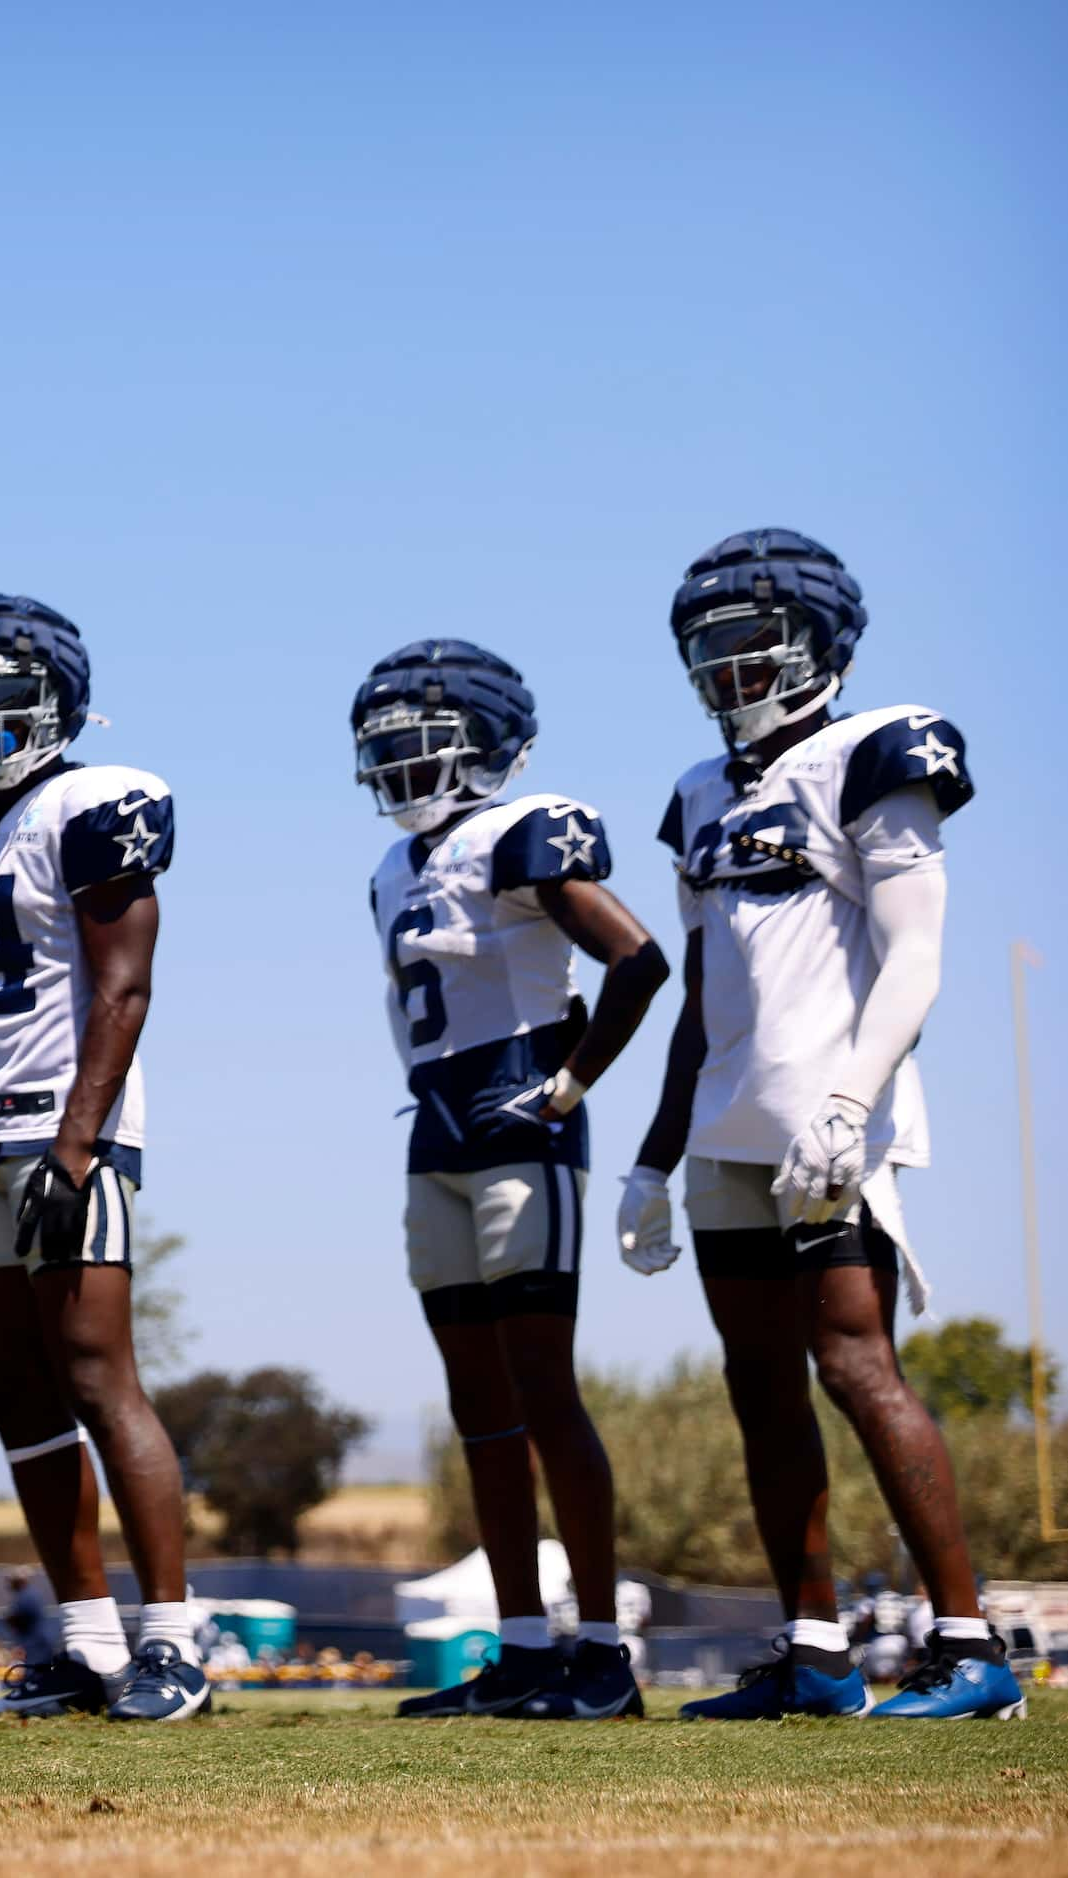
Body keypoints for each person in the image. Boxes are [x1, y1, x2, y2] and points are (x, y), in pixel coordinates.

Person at [623, 528, 1022, 1722]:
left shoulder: (874, 750)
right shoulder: (699, 794)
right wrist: (652, 1157)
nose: (729, 669)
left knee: (856, 1365)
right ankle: (813, 1651)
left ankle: (970, 1648)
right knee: (759, 1387)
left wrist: (852, 1103)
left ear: (818, 642)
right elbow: (703, 998)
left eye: (752, 643)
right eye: (710, 650)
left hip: (830, 1122)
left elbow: (916, 958)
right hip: (727, 1128)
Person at [0, 595, 203, 1725]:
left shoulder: (98, 802)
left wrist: (77, 1145)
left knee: (95, 1376)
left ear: (57, 702)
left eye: (0, 701)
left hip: (65, 1135)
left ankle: (173, 1642)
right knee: (17, 1395)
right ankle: (87, 1645)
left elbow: (124, 987)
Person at [350, 641, 665, 1722]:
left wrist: (570, 1086)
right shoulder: (395, 866)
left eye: (415, 744)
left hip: (523, 1123)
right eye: (382, 748)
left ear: (485, 747)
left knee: (542, 1391)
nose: (394, 764)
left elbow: (639, 958)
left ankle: (603, 1655)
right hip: (434, 1136)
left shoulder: (521, 831)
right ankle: (523, 1648)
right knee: (477, 1404)